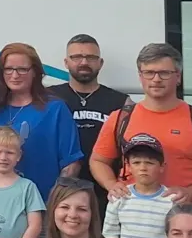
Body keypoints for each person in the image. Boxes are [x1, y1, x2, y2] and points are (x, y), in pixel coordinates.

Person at [90, 43, 192, 209]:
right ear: (140, 76)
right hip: (134, 219)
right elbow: (98, 161)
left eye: (164, 73)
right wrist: (111, 184)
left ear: (178, 76)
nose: (156, 79)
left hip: (187, 222)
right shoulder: (119, 118)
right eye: (149, 73)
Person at [0, 43, 83, 200]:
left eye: (22, 69)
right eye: (8, 69)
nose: (15, 75)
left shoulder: (55, 108)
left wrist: (55, 201)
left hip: (41, 204)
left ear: (35, 72)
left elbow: (71, 164)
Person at [48, 34, 130, 204]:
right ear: (66, 62)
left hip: (107, 192)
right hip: (59, 191)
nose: (84, 62)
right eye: (76, 57)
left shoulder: (121, 101)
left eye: (91, 57)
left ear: (100, 63)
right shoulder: (48, 97)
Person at [102, 135, 177, 238]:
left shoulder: (172, 201)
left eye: (150, 162)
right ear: (128, 167)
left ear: (162, 166)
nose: (143, 167)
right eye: (136, 162)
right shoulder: (119, 197)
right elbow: (109, 236)